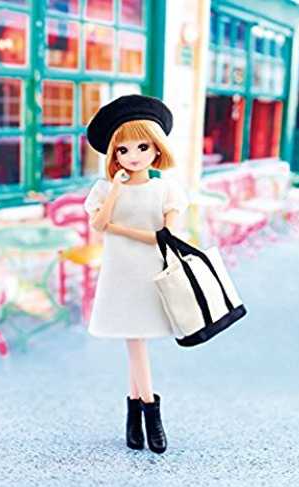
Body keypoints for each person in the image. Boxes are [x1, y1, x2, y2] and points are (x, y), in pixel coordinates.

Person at [83, 94, 189, 454]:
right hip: (119, 274)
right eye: (123, 149)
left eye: (142, 147)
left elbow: (166, 236)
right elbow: (98, 223)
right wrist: (115, 189)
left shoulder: (166, 189)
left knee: (137, 343)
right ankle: (148, 414)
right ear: (114, 155)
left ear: (157, 148)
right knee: (135, 343)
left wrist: (119, 229)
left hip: (150, 274)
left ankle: (138, 414)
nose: (134, 156)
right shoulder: (103, 189)